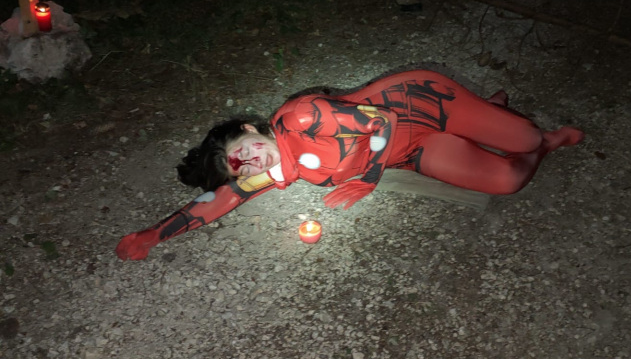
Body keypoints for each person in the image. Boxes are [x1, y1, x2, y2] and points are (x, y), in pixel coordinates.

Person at [116, 68, 584, 261]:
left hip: (422, 105)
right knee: (508, 179)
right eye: (245, 168)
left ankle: (508, 123)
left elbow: (381, 120)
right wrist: (155, 234)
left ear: (251, 129)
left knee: (524, 136)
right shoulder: (277, 169)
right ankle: (537, 141)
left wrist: (369, 179)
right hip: (413, 150)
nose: (254, 162)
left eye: (247, 149)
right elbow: (219, 200)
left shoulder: (300, 118)